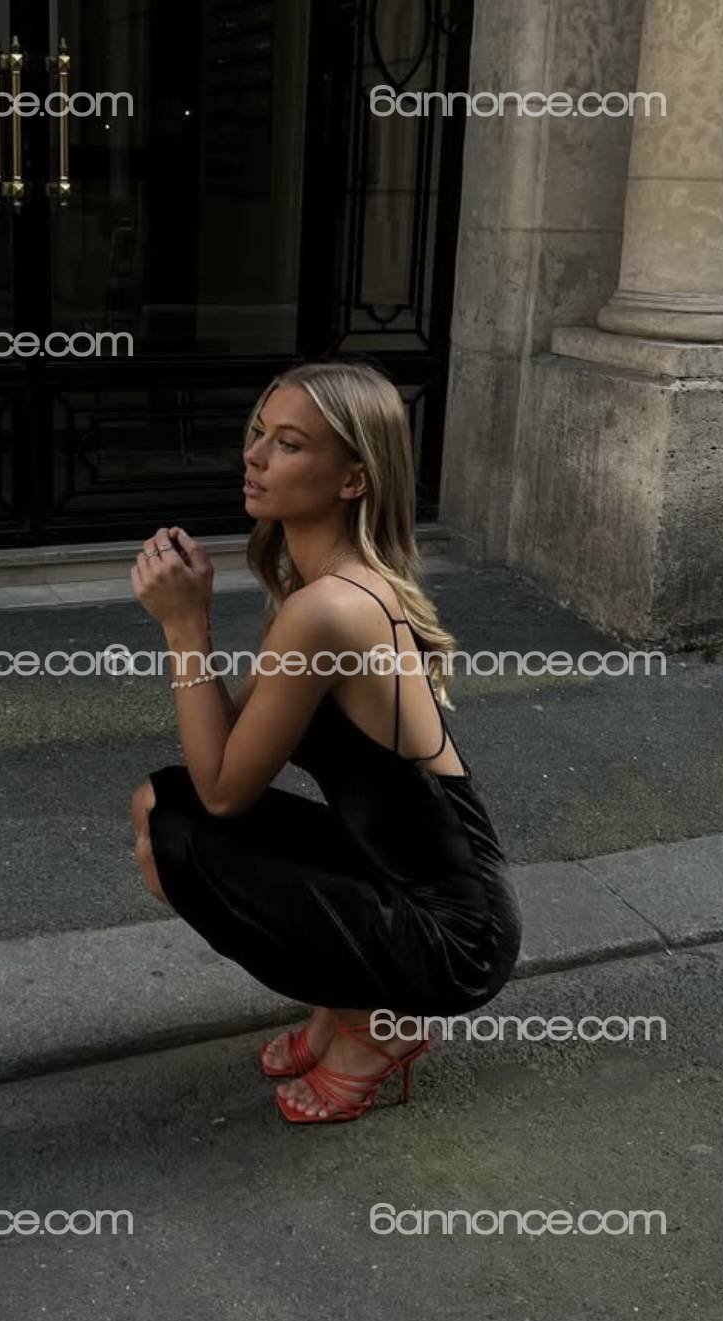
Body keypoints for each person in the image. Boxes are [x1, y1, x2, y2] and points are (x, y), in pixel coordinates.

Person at [129, 360, 522, 1125]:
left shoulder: (331, 609)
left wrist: (184, 627)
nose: (253, 456)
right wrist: (188, 622)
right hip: (396, 875)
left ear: (352, 478)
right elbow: (224, 756)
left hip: (455, 934)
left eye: (287, 443)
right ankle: (349, 999)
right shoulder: (319, 592)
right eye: (257, 434)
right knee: (159, 804)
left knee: (180, 837)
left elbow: (222, 793)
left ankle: (377, 1025)